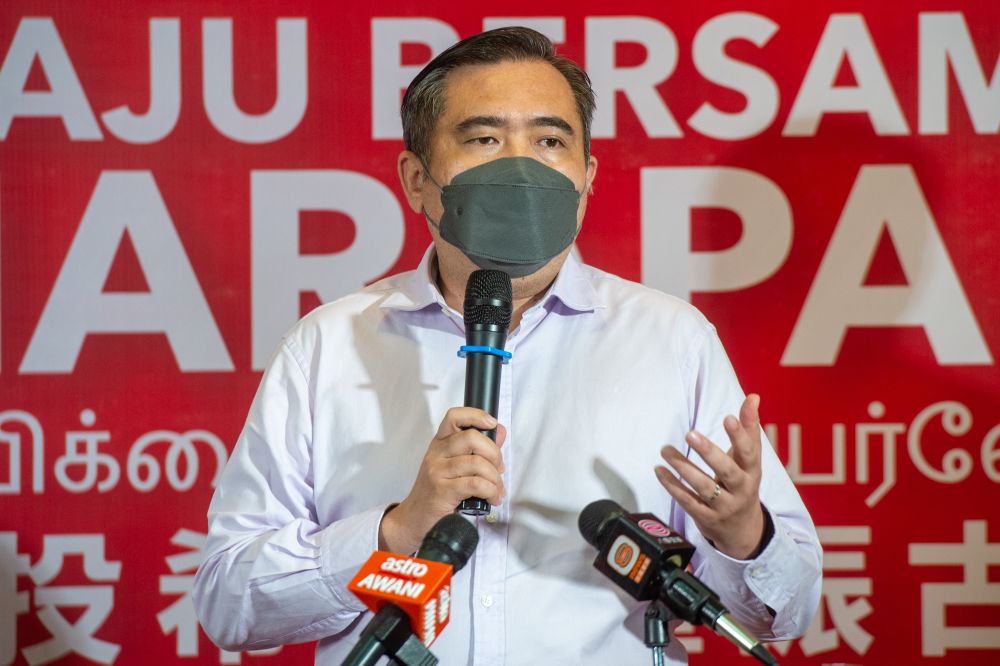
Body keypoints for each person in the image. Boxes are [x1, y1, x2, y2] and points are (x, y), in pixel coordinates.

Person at [193, 27, 821, 665]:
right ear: (416, 178)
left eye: (550, 141)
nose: (520, 169)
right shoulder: (328, 345)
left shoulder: (670, 339)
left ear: (586, 177)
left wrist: (745, 535)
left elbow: (783, 613)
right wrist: (396, 531)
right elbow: (227, 602)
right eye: (485, 139)